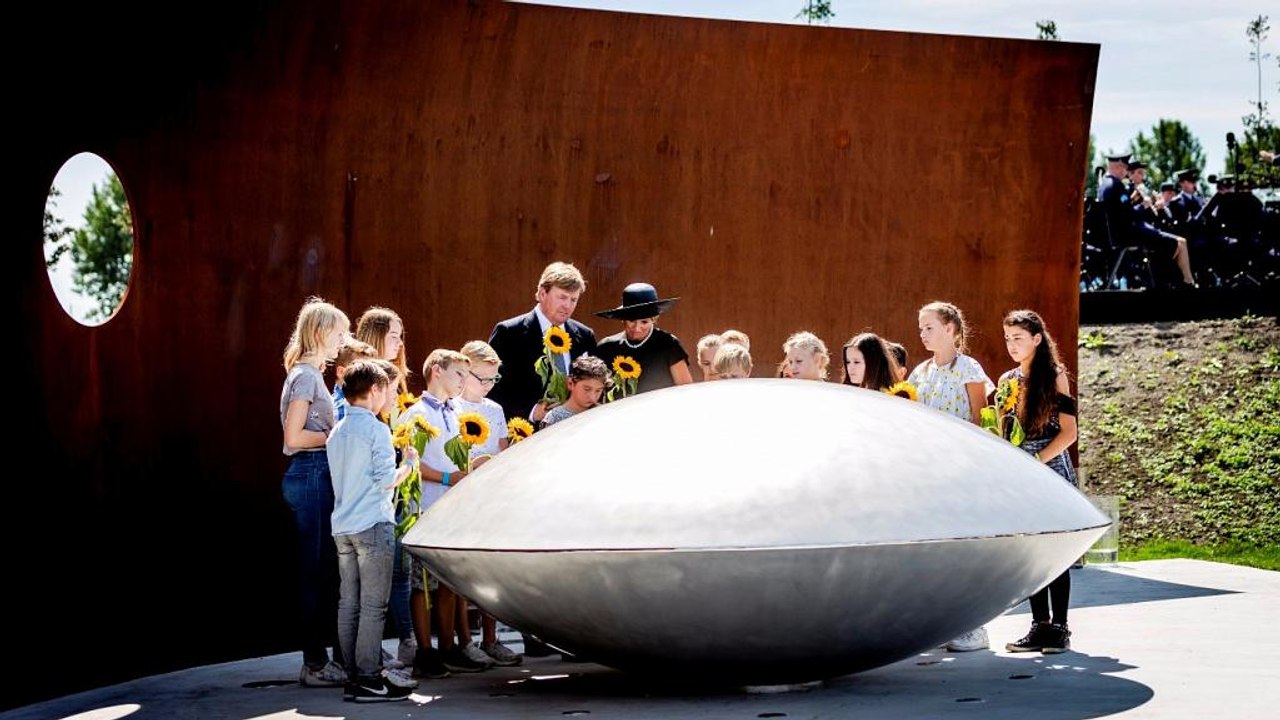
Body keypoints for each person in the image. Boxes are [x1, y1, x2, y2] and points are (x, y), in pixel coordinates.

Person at [327, 359, 419, 702]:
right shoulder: (377, 430)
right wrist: (408, 464)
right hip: (372, 524)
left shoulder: (337, 431)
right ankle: (367, 677)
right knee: (373, 607)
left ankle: (354, 676)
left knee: (348, 603)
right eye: (389, 390)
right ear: (375, 390)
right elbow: (385, 481)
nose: (390, 397)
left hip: (343, 527)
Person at [906, 301, 994, 652]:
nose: (923, 333)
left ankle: (976, 627)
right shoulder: (920, 373)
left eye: (930, 327)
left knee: (966, 548)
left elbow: (980, 418)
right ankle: (942, 625)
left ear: (951, 329)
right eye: (921, 327)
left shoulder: (969, 368)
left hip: (961, 470)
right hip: (929, 474)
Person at [402, 349, 492, 675]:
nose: (462, 382)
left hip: (450, 508)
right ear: (437, 371)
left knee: (449, 584)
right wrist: (446, 477)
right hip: (425, 507)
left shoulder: (455, 412)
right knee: (422, 583)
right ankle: (425, 651)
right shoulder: (416, 414)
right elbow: (412, 462)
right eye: (457, 374)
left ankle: (449, 646)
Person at [998, 310, 1079, 655]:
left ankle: (1060, 627)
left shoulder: (1055, 377)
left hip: (1049, 468)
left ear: (1036, 339)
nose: (1012, 345)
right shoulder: (1006, 380)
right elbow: (1004, 428)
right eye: (1007, 338)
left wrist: (1036, 461)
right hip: (1020, 470)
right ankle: (1039, 625)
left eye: (1018, 338)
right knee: (1031, 553)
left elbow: (1069, 433)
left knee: (1054, 552)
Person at [279, 297, 350, 688]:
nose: (343, 341)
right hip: (311, 474)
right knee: (316, 571)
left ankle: (324, 659)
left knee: (322, 570)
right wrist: (335, 435)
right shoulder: (306, 376)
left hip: (316, 474)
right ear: (321, 332)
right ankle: (315, 663)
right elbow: (293, 437)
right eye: (339, 333)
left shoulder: (308, 374)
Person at [353, 306, 416, 670]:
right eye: (392, 334)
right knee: (369, 580)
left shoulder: (396, 381)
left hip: (394, 486)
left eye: (400, 335)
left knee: (399, 570)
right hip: (371, 493)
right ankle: (371, 654)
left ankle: (404, 641)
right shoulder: (361, 382)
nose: (399, 342)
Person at [454, 340, 523, 667]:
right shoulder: (452, 407)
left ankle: (491, 638)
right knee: (459, 575)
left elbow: (503, 450)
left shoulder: (494, 410)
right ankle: (463, 640)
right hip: (458, 494)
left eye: (493, 380)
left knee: (488, 572)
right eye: (481, 379)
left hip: (488, 496)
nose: (486, 386)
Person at [488, 262, 597, 428]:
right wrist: (532, 411)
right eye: (562, 297)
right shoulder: (509, 333)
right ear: (542, 293)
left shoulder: (584, 336)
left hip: (573, 431)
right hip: (524, 435)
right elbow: (493, 388)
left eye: (573, 300)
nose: (567, 306)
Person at [593, 283, 693, 394]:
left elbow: (686, 390)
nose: (637, 328)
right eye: (632, 321)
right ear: (623, 319)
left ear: (654, 319)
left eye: (644, 322)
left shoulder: (668, 344)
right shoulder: (606, 347)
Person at [538, 355, 610, 429]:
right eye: (587, 389)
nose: (592, 397)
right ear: (570, 383)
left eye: (598, 390)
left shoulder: (602, 413)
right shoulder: (554, 418)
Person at [333, 338, 379, 421]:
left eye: (372, 372)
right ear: (341, 372)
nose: (371, 378)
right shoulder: (344, 409)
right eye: (362, 372)